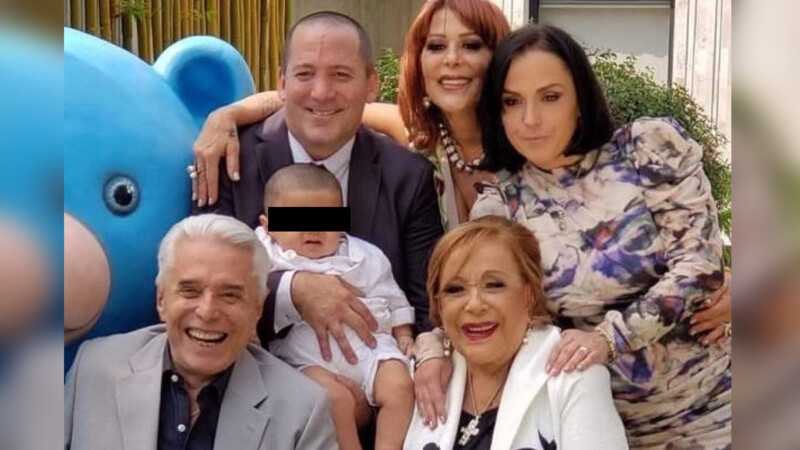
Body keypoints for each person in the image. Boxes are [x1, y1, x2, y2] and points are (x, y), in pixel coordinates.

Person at [190, 1, 732, 349]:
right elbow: (320, 102)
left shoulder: (545, 149)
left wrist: (731, 285)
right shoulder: (416, 142)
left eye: (472, 45)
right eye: (436, 46)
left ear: (503, 57)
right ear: (417, 61)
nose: (452, 60)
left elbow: (678, 250)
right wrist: (225, 115)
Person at [417, 25, 732, 449]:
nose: (530, 119)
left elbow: (700, 267)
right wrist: (431, 349)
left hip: (717, 414)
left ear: (580, 99)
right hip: (596, 429)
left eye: (550, 97)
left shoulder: (647, 149)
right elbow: (480, 308)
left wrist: (607, 339)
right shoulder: (503, 207)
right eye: (512, 101)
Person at [196, 11, 444, 355]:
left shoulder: (407, 176)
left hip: (378, 371)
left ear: (371, 84)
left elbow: (429, 306)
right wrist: (292, 289)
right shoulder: (230, 159)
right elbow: (202, 279)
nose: (322, 92)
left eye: (341, 75)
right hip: (256, 372)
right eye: (304, 74)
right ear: (282, 82)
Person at [64, 214, 336, 450]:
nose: (207, 312)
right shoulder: (94, 367)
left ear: (257, 308)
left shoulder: (302, 410)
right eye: (190, 291)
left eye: (230, 295)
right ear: (161, 300)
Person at [404, 216, 628, 449]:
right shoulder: (420, 377)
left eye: (494, 285)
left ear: (529, 295)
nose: (474, 305)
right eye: (455, 289)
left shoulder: (574, 378)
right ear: (439, 304)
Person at [257, 164, 414, 450]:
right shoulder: (264, 252)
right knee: (333, 400)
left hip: (371, 351)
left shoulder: (365, 256)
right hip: (307, 359)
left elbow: (393, 298)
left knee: (400, 387)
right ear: (268, 226)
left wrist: (403, 334)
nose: (313, 228)